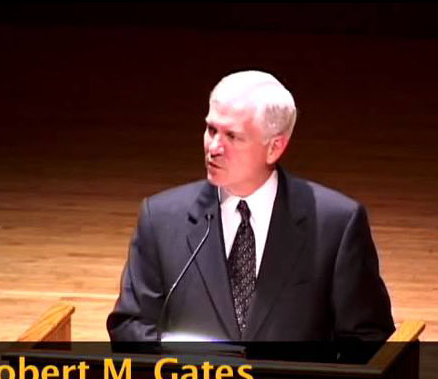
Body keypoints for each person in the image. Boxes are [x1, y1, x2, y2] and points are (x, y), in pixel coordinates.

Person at [107, 70, 393, 342]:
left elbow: (367, 338)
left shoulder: (337, 225)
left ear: (275, 147)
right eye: (211, 129)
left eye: (232, 136)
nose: (214, 147)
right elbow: (129, 326)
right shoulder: (160, 218)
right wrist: (183, 357)